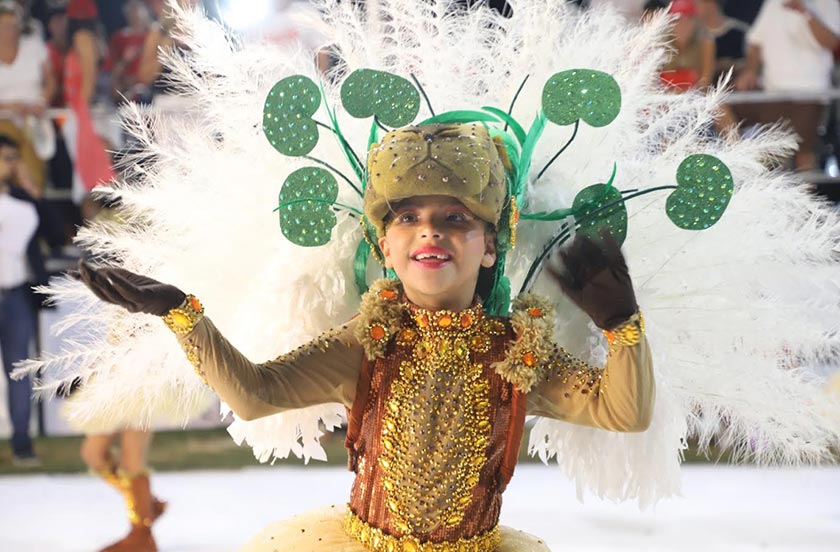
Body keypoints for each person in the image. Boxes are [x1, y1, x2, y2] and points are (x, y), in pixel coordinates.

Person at [76, 122, 654, 551]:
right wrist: (182, 313)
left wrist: (622, 327)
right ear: (384, 246)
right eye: (408, 217)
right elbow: (254, 394)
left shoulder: (517, 351)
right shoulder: (371, 340)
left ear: (490, 246)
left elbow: (623, 412)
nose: (430, 231)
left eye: (455, 218)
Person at [0, 133, 62, 466]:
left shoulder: (22, 199)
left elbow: (56, 235)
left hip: (15, 293)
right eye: (6, 158)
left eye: (13, 158)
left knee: (19, 369)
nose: (11, 164)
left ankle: (22, 442)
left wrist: (34, 194)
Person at [719, 0, 840, 171]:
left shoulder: (828, 3)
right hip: (771, 93)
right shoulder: (774, 2)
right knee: (720, 104)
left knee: (803, 154)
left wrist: (805, 12)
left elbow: (832, 43)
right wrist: (751, 70)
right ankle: (741, 161)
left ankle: (806, 189)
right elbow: (756, 40)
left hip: (810, 94)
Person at [0, 0, 56, 197]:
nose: (10, 31)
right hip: (3, 121)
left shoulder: (33, 46)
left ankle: (33, 197)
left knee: (32, 164)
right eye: (5, 25)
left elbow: (51, 82)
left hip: (34, 119)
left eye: (14, 25)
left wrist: (40, 103)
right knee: (8, 157)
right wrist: (11, 107)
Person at [659, 0, 716, 91]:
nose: (683, 25)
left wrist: (687, 94)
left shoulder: (705, 43)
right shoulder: (659, 45)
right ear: (670, 23)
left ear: (695, 22)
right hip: (664, 96)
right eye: (678, 20)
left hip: (695, 96)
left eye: (689, 19)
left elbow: (706, 81)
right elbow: (652, 81)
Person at [695, 0, 749, 81]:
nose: (694, 7)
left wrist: (728, 65)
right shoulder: (693, 34)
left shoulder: (738, 32)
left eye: (697, 3)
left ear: (711, 4)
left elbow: (750, 63)